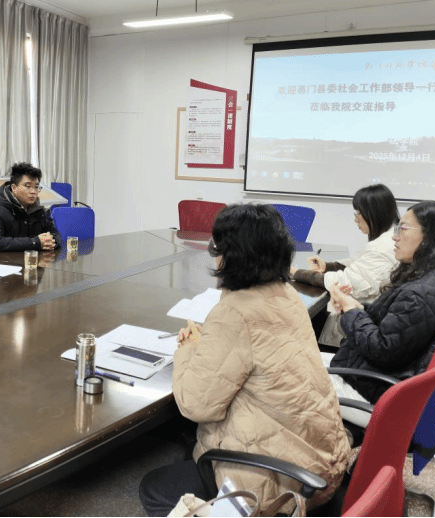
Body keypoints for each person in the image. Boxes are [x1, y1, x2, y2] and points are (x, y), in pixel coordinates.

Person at [139, 204, 351, 516]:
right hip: (322, 460)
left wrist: (188, 349)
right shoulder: (287, 294)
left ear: (231, 255)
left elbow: (195, 405)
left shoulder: (235, 313)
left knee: (154, 487)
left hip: (279, 485)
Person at [324, 201, 435, 427]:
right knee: (301, 357)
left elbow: (381, 349)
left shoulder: (421, 294)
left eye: (402, 228)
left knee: (287, 369)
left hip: (377, 395)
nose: (395, 237)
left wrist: (351, 311)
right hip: (388, 380)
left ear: (431, 237)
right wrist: (355, 306)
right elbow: (396, 325)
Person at [291, 184, 400, 346]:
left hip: (357, 329)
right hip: (365, 318)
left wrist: (297, 272)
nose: (355, 219)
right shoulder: (389, 237)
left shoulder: (382, 248)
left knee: (294, 325)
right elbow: (359, 263)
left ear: (374, 214)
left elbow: (344, 281)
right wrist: (327, 266)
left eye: (358, 213)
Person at [0, 162, 61, 255]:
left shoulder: (37, 209)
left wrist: (52, 242)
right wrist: (35, 242)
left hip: (27, 260)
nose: (33, 191)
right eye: (28, 186)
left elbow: (55, 233)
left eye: (36, 187)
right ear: (14, 188)